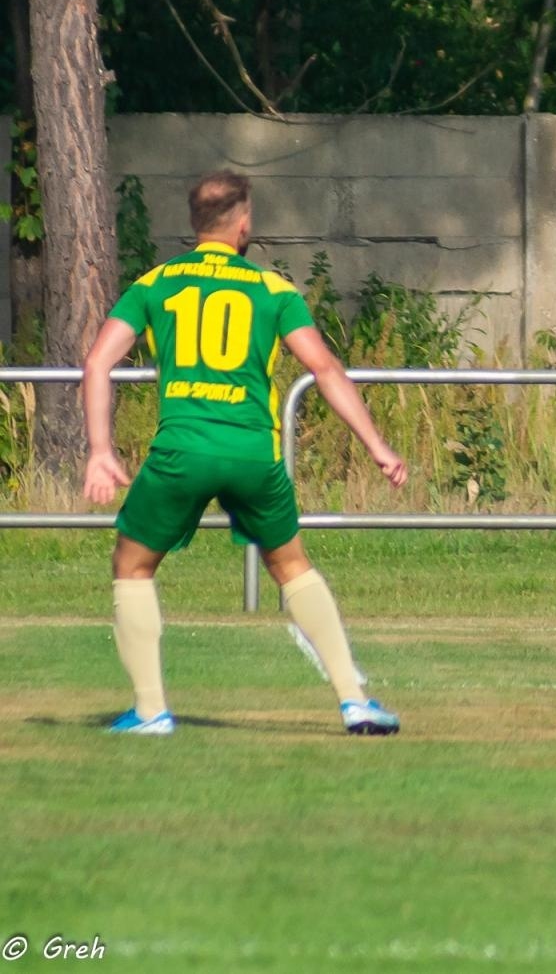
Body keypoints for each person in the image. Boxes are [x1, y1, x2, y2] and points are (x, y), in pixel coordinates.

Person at [82, 170, 408, 737]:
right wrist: (377, 446)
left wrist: (100, 449)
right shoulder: (272, 289)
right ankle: (354, 701)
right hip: (253, 454)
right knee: (292, 566)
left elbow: (96, 363)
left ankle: (151, 711)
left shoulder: (155, 283)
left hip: (182, 451)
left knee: (132, 566)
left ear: (195, 223)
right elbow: (324, 368)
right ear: (243, 224)